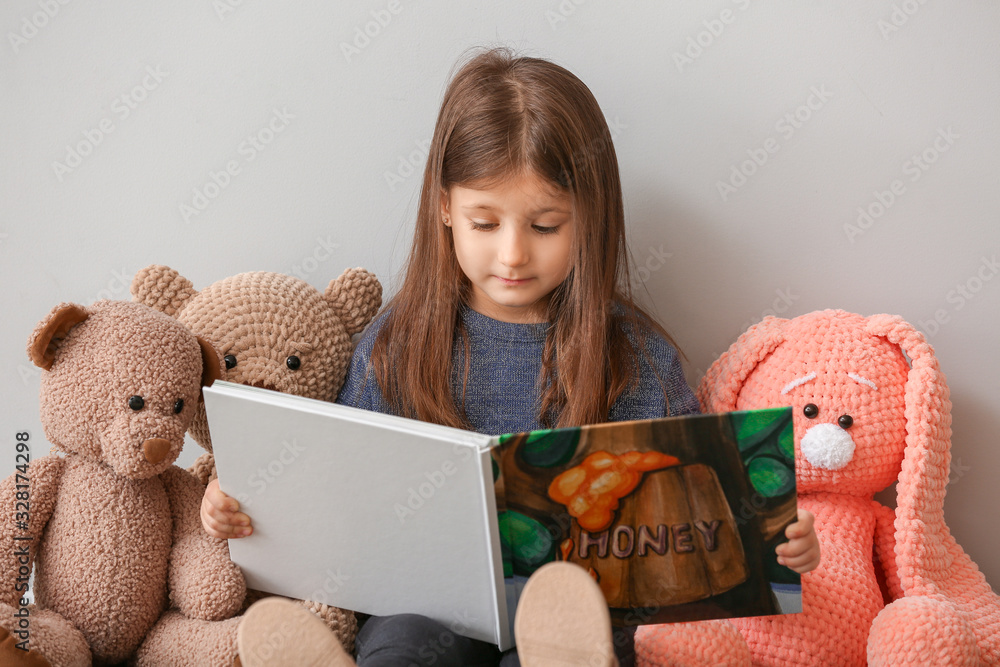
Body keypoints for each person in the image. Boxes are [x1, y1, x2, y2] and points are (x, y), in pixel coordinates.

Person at [201, 45, 821, 667]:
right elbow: (334, 474)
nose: (514, 254)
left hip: (572, 621)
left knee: (558, 644)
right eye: (485, 222)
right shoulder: (400, 338)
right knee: (404, 642)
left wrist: (777, 539)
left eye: (545, 226)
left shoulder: (630, 353)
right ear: (445, 208)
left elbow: (701, 514)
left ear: (590, 219)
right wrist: (244, 499)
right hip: (427, 610)